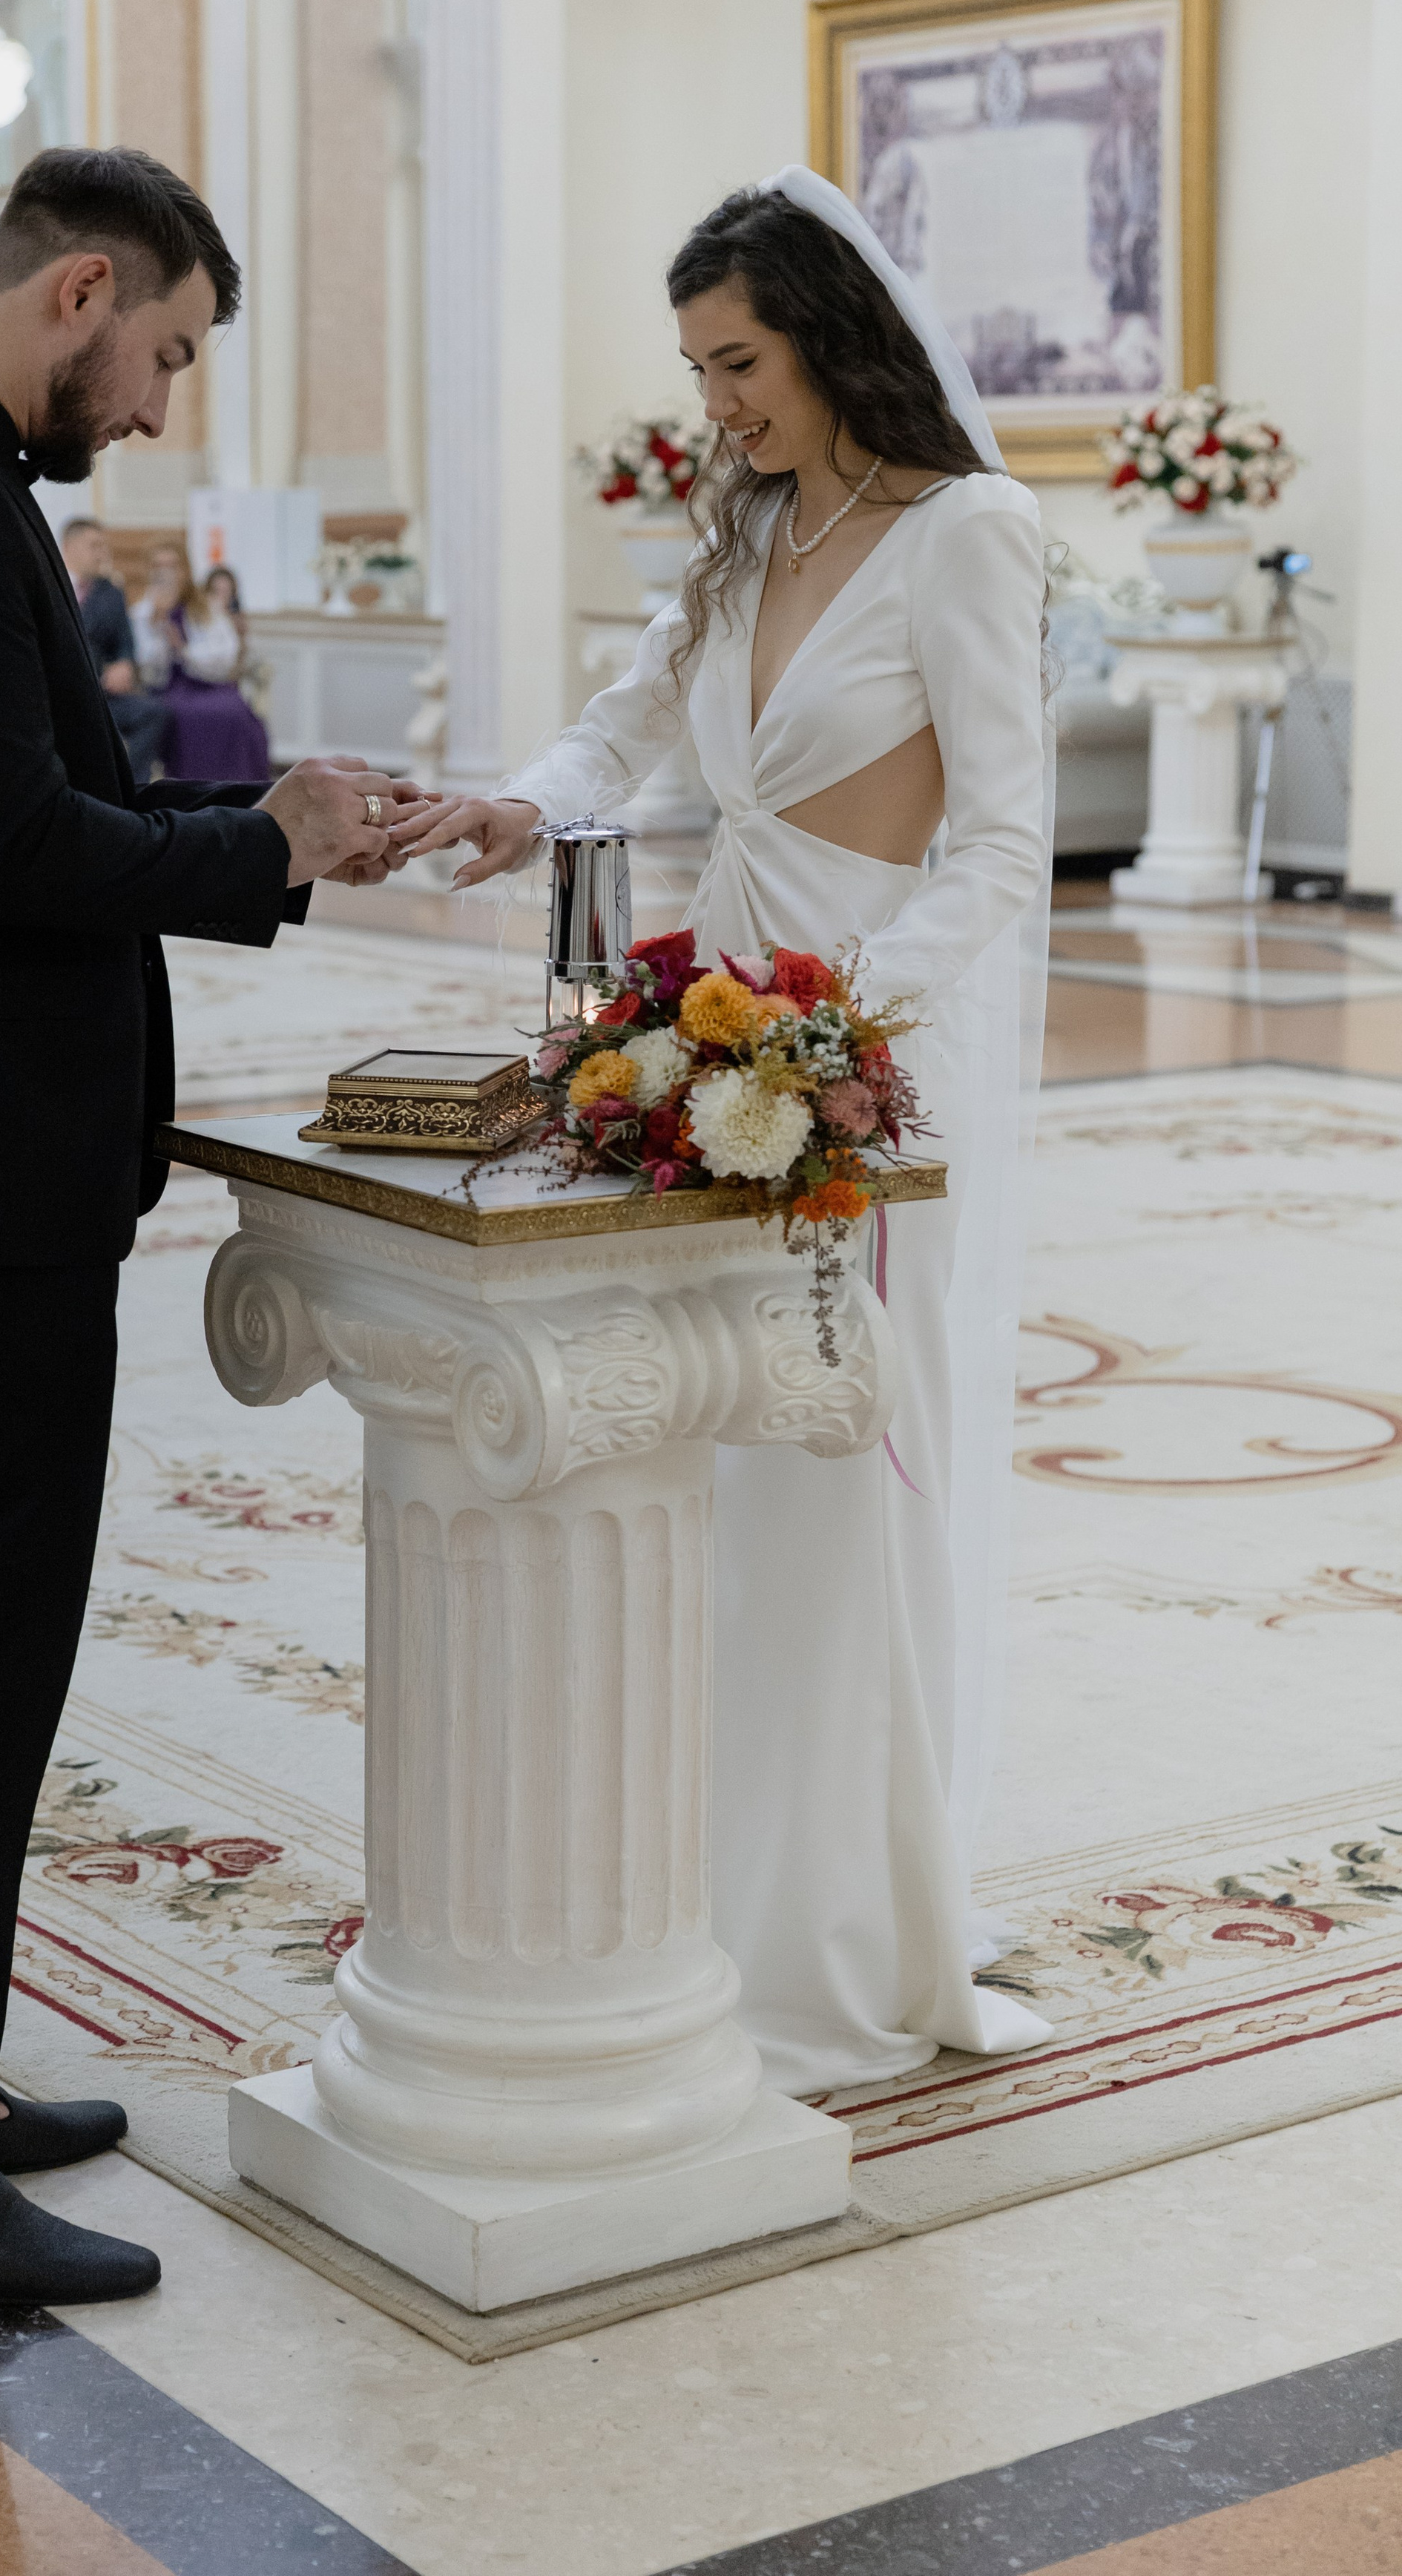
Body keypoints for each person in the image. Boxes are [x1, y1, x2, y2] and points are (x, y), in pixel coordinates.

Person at [0, 142, 431, 2311]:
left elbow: (43, 793)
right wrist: (264, 847)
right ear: (82, 290)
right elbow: (13, 848)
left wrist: (257, 818)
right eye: (167, 350)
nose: (153, 400)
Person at [406, 168, 1053, 2097]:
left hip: (859, 1065)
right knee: (720, 1466)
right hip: (704, 1060)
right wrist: (508, 812)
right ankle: (713, 1887)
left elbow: (1004, 847)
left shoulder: (967, 533)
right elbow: (619, 733)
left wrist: (849, 1030)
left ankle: (850, 1925)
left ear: (831, 337)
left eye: (742, 361)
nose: (721, 405)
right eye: (699, 370)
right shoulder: (749, 527)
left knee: (851, 1468)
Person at [62, 514, 173, 779]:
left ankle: (132, 792)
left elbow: (125, 641)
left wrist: (125, 663)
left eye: (104, 546)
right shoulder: (50, 587)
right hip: (61, 698)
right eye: (95, 546)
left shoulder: (111, 592)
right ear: (69, 547)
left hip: (103, 696)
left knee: (154, 714)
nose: (102, 553)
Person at [159, 565, 271, 778]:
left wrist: (242, 642)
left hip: (226, 684)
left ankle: (236, 782)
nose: (221, 598)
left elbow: (237, 667)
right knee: (191, 715)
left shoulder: (234, 624)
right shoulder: (192, 614)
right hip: (190, 684)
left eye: (226, 593)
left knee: (238, 716)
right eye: (215, 591)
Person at [129, 540, 186, 683]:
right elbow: (145, 669)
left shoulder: (200, 608)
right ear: (148, 571)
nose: (165, 573)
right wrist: (158, 619)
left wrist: (186, 652)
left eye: (172, 566)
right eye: (158, 567)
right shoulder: (138, 614)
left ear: (183, 570)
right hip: (160, 692)